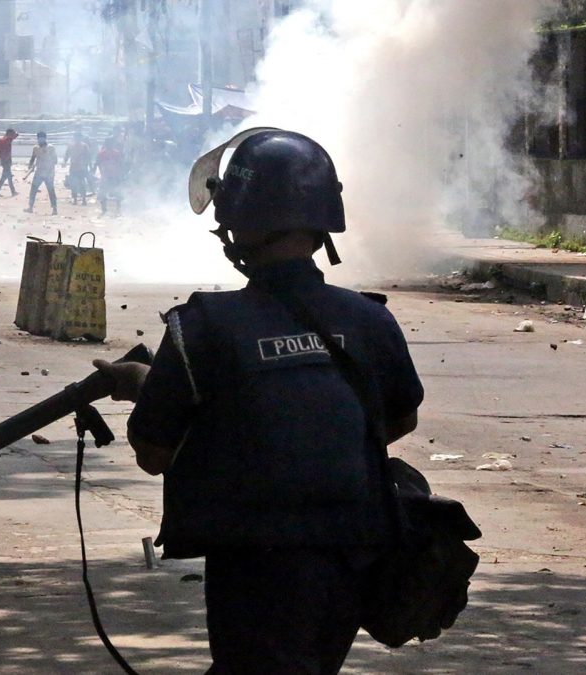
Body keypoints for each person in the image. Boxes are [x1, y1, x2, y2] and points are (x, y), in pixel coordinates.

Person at [91, 128, 424, 674]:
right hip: (353, 558)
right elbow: (398, 418)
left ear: (236, 222)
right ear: (323, 221)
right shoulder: (369, 319)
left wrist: (149, 387)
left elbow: (154, 454)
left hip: (251, 564)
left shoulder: (199, 330)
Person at [24, 131, 58, 215]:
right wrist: (30, 166)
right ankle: (30, 207)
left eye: (42, 138)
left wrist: (49, 165)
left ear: (45, 138)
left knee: (51, 191)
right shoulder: (35, 148)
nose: (40, 140)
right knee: (33, 190)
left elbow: (55, 160)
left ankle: (54, 209)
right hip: (39, 173)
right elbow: (33, 158)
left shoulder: (51, 147)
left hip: (49, 173)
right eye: (39, 138)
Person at [94, 136, 125, 215]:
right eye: (108, 143)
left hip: (113, 175)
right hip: (106, 176)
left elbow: (121, 164)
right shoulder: (102, 153)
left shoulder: (116, 153)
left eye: (110, 143)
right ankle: (106, 209)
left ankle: (116, 208)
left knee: (116, 192)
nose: (109, 145)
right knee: (104, 192)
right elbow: (97, 163)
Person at [63, 131, 92, 205]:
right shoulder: (71, 146)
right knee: (73, 184)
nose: (77, 139)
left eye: (79, 137)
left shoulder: (84, 146)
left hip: (82, 168)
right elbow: (67, 155)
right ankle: (75, 199)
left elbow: (88, 157)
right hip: (73, 167)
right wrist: (65, 162)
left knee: (82, 183)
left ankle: (84, 200)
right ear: (74, 138)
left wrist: (89, 166)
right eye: (76, 137)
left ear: (81, 138)